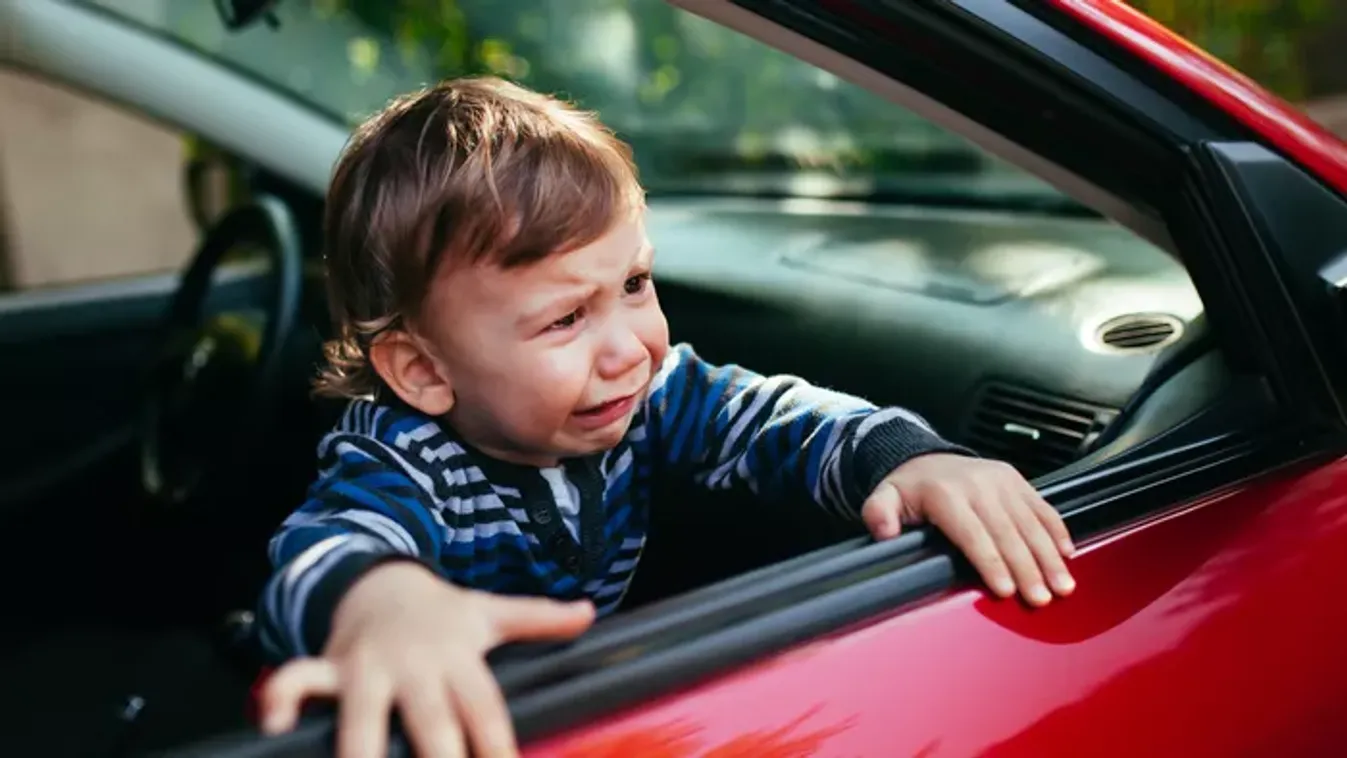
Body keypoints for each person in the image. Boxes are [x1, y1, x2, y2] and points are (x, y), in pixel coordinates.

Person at [255, 76, 1077, 758]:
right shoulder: (403, 457)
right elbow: (323, 548)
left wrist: (908, 460)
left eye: (634, 285)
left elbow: (773, 418)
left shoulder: (644, 396)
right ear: (425, 371)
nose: (629, 350)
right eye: (564, 319)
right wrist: (385, 607)